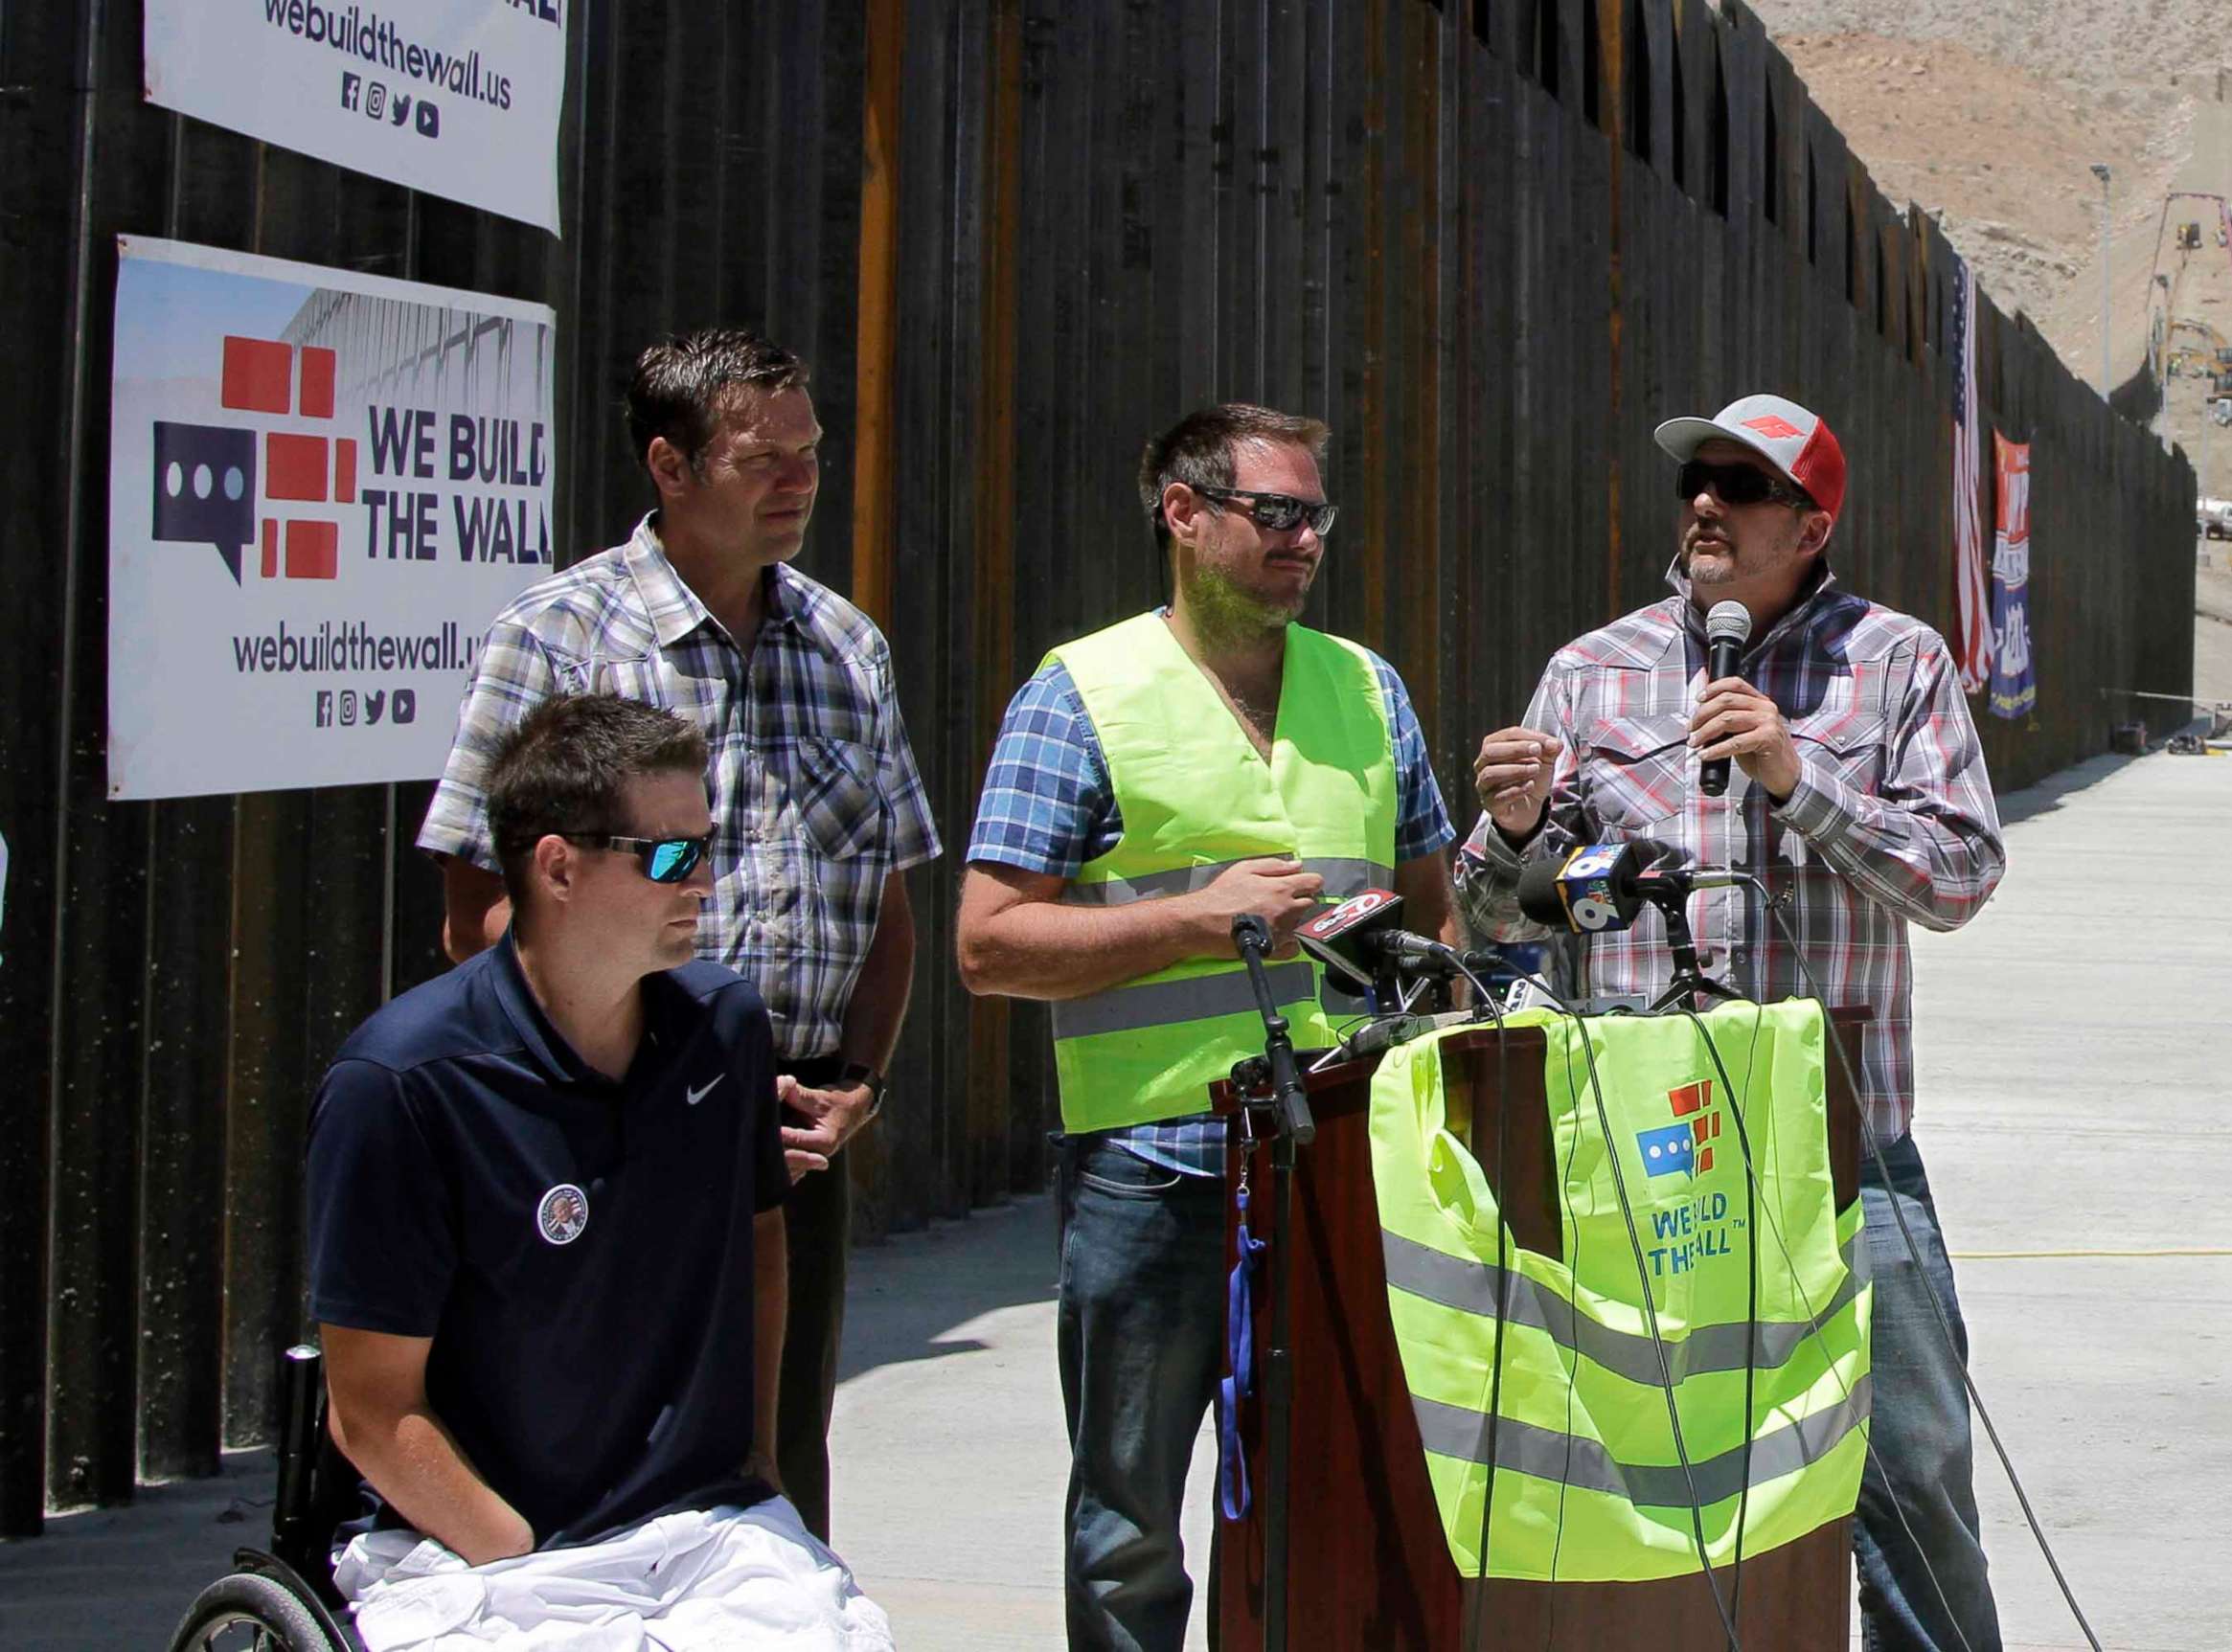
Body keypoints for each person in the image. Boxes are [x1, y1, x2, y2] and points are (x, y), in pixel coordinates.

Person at [1456, 394, 2008, 1652]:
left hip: (1840, 1155)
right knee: (1650, 1492)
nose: (1705, 504)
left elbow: (1961, 876)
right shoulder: (1592, 671)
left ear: (1813, 523)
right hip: (1643, 1162)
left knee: (1912, 1472)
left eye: (1742, 485)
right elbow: (1503, 922)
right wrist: (1518, 831)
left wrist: (1796, 779)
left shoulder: (1899, 661)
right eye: (1694, 481)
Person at [417, 328, 940, 1541]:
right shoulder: (555, 640)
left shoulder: (849, 649)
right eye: (763, 460)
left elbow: (891, 906)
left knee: (770, 1458)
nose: (800, 482)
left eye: (810, 454)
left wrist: (857, 1081)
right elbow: (474, 914)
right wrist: (641, 1081)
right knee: (593, 1451)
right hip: (602, 1122)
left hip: (791, 1130)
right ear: (669, 462)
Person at [954, 403, 1460, 1650]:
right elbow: (987, 941)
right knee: (1130, 1524)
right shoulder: (1082, 694)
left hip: (1346, 1161)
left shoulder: (1368, 689)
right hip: (1153, 1167)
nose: (1304, 541)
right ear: (1183, 515)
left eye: (1315, 516)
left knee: (1343, 1495)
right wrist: (1196, 923)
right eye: (1274, 513)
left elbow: (1432, 917)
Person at [307, 693, 892, 1649]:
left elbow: (759, 1235)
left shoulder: (724, 1027)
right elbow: (370, 1411)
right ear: (558, 867)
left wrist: (756, 1456)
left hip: (705, 1533)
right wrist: (513, 1548)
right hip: (488, 1555)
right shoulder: (400, 1083)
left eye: (709, 845)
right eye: (668, 856)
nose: (703, 880)